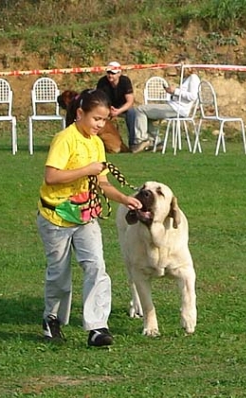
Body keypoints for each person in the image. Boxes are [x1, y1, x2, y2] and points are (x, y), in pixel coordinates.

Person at [37, 89, 142, 346]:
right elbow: (51, 176)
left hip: (85, 216)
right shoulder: (65, 139)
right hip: (56, 217)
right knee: (59, 274)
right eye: (96, 118)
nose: (99, 125)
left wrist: (125, 198)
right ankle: (52, 320)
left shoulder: (96, 143)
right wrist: (86, 170)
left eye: (104, 120)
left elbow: (102, 182)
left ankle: (97, 327)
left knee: (96, 266)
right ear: (80, 113)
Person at [131, 58, 200, 153]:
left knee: (140, 110)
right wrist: (172, 93)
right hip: (174, 106)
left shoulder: (193, 78)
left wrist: (175, 91)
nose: (177, 71)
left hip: (177, 109)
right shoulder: (185, 79)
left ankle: (141, 140)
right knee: (146, 115)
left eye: (178, 68)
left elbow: (193, 96)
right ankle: (157, 142)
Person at [96, 61, 136, 147]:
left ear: (119, 73)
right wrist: (108, 109)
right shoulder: (102, 82)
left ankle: (133, 143)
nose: (110, 75)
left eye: (113, 73)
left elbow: (130, 101)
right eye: (108, 72)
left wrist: (118, 111)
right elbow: (99, 100)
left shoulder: (125, 81)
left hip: (122, 108)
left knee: (132, 113)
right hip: (106, 107)